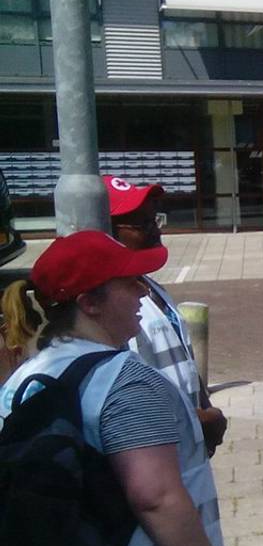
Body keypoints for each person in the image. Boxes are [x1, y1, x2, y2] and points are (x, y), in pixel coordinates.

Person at [0, 231, 248, 546]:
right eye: (130, 282)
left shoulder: (22, 383)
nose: (143, 292)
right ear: (90, 302)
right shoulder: (128, 381)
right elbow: (155, 497)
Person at [103, 175, 228, 457]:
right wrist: (195, 421)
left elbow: (182, 359)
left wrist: (205, 405)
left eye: (154, 220)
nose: (156, 231)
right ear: (107, 231)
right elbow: (126, 401)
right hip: (158, 456)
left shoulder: (150, 286)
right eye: (142, 224)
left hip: (190, 449)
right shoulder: (112, 307)